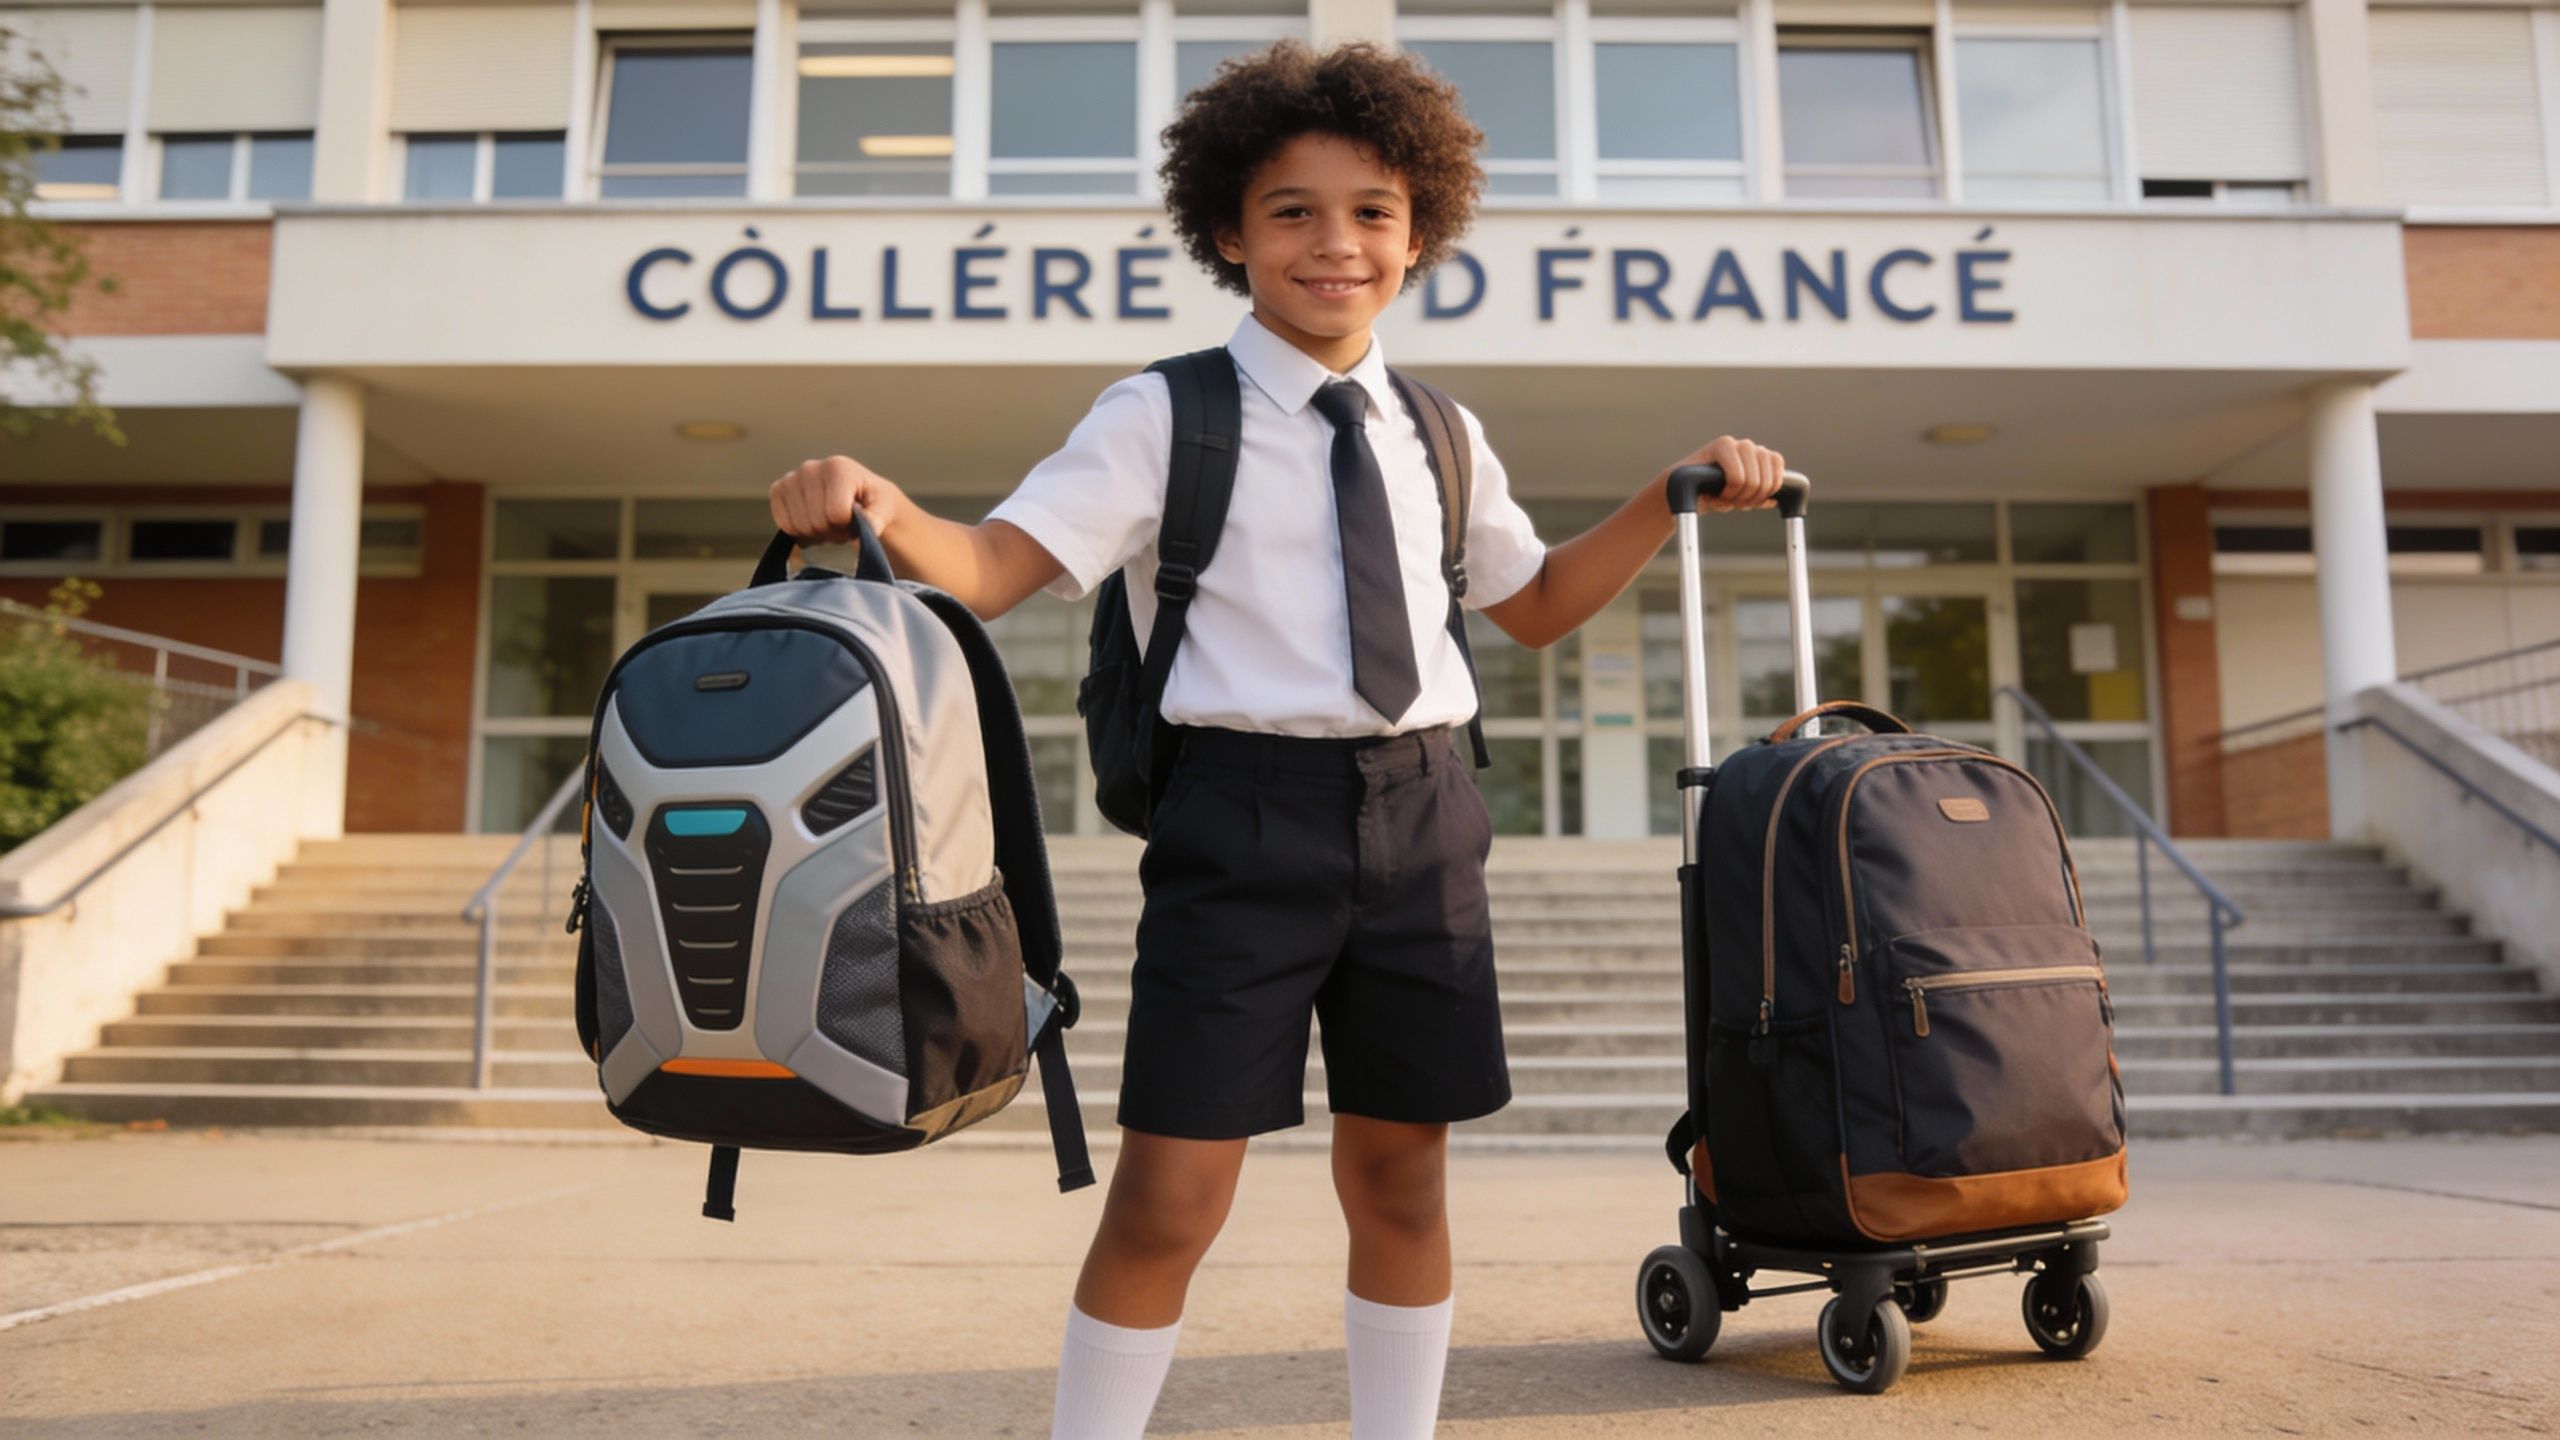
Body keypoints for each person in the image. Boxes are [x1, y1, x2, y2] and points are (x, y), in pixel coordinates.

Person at [767, 40, 1784, 1439]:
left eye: (1371, 210)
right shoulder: (1162, 413)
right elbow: (993, 568)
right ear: (1230, 232)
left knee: (1403, 1180)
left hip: (1426, 819)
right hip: (1238, 825)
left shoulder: (1440, 428)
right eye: (1292, 211)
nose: (1335, 243)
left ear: (1418, 232)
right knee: (1173, 1194)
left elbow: (1535, 603)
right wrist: (877, 501)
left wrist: (1659, 499)